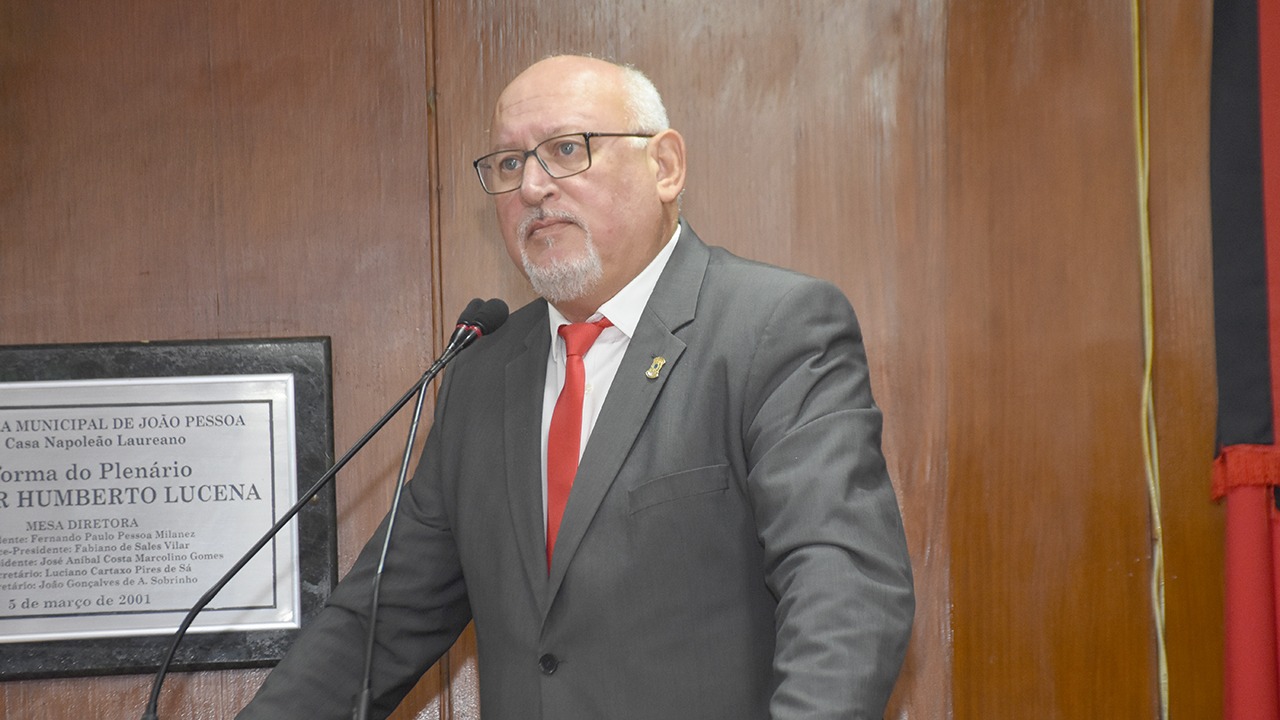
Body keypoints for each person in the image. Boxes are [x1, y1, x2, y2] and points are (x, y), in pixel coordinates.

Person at [236, 55, 914, 720]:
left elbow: (845, 596)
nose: (532, 186)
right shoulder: (479, 377)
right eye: (509, 164)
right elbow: (376, 626)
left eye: (566, 149)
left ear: (665, 165)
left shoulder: (772, 329)